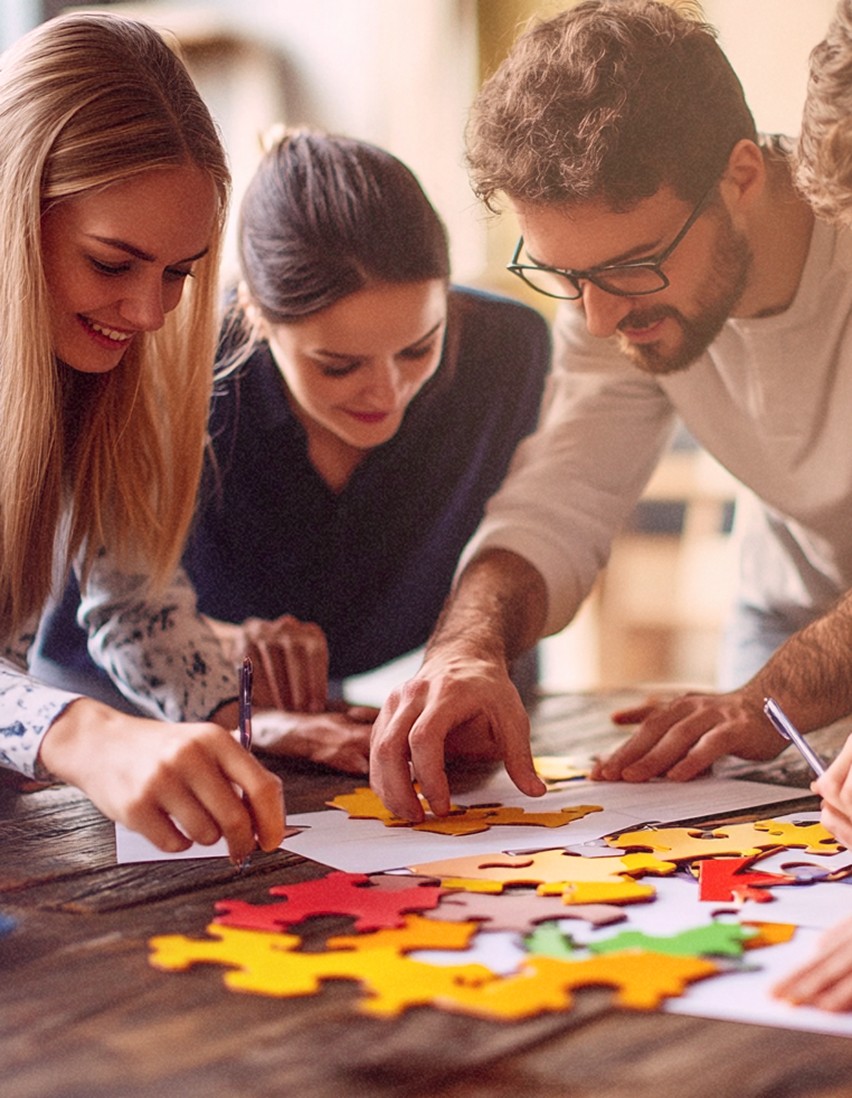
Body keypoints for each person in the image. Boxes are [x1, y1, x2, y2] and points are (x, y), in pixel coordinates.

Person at [368, 0, 852, 823]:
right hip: (791, 616)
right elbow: (559, 499)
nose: (595, 316)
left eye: (631, 265)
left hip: (795, 674)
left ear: (741, 175)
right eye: (564, 275)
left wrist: (760, 701)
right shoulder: (609, 295)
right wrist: (465, 649)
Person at [36, 127, 550, 777]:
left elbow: (518, 544)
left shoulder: (509, 351)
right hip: (128, 711)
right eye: (338, 365)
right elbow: (107, 609)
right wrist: (215, 648)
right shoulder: (168, 369)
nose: (388, 391)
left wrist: (481, 667)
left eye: (419, 348)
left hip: (342, 721)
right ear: (253, 314)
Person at [0, 12, 284, 862]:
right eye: (113, 263)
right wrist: (83, 734)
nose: (152, 313)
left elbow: (138, 608)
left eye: (179, 273)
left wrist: (241, 726)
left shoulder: (99, 366)